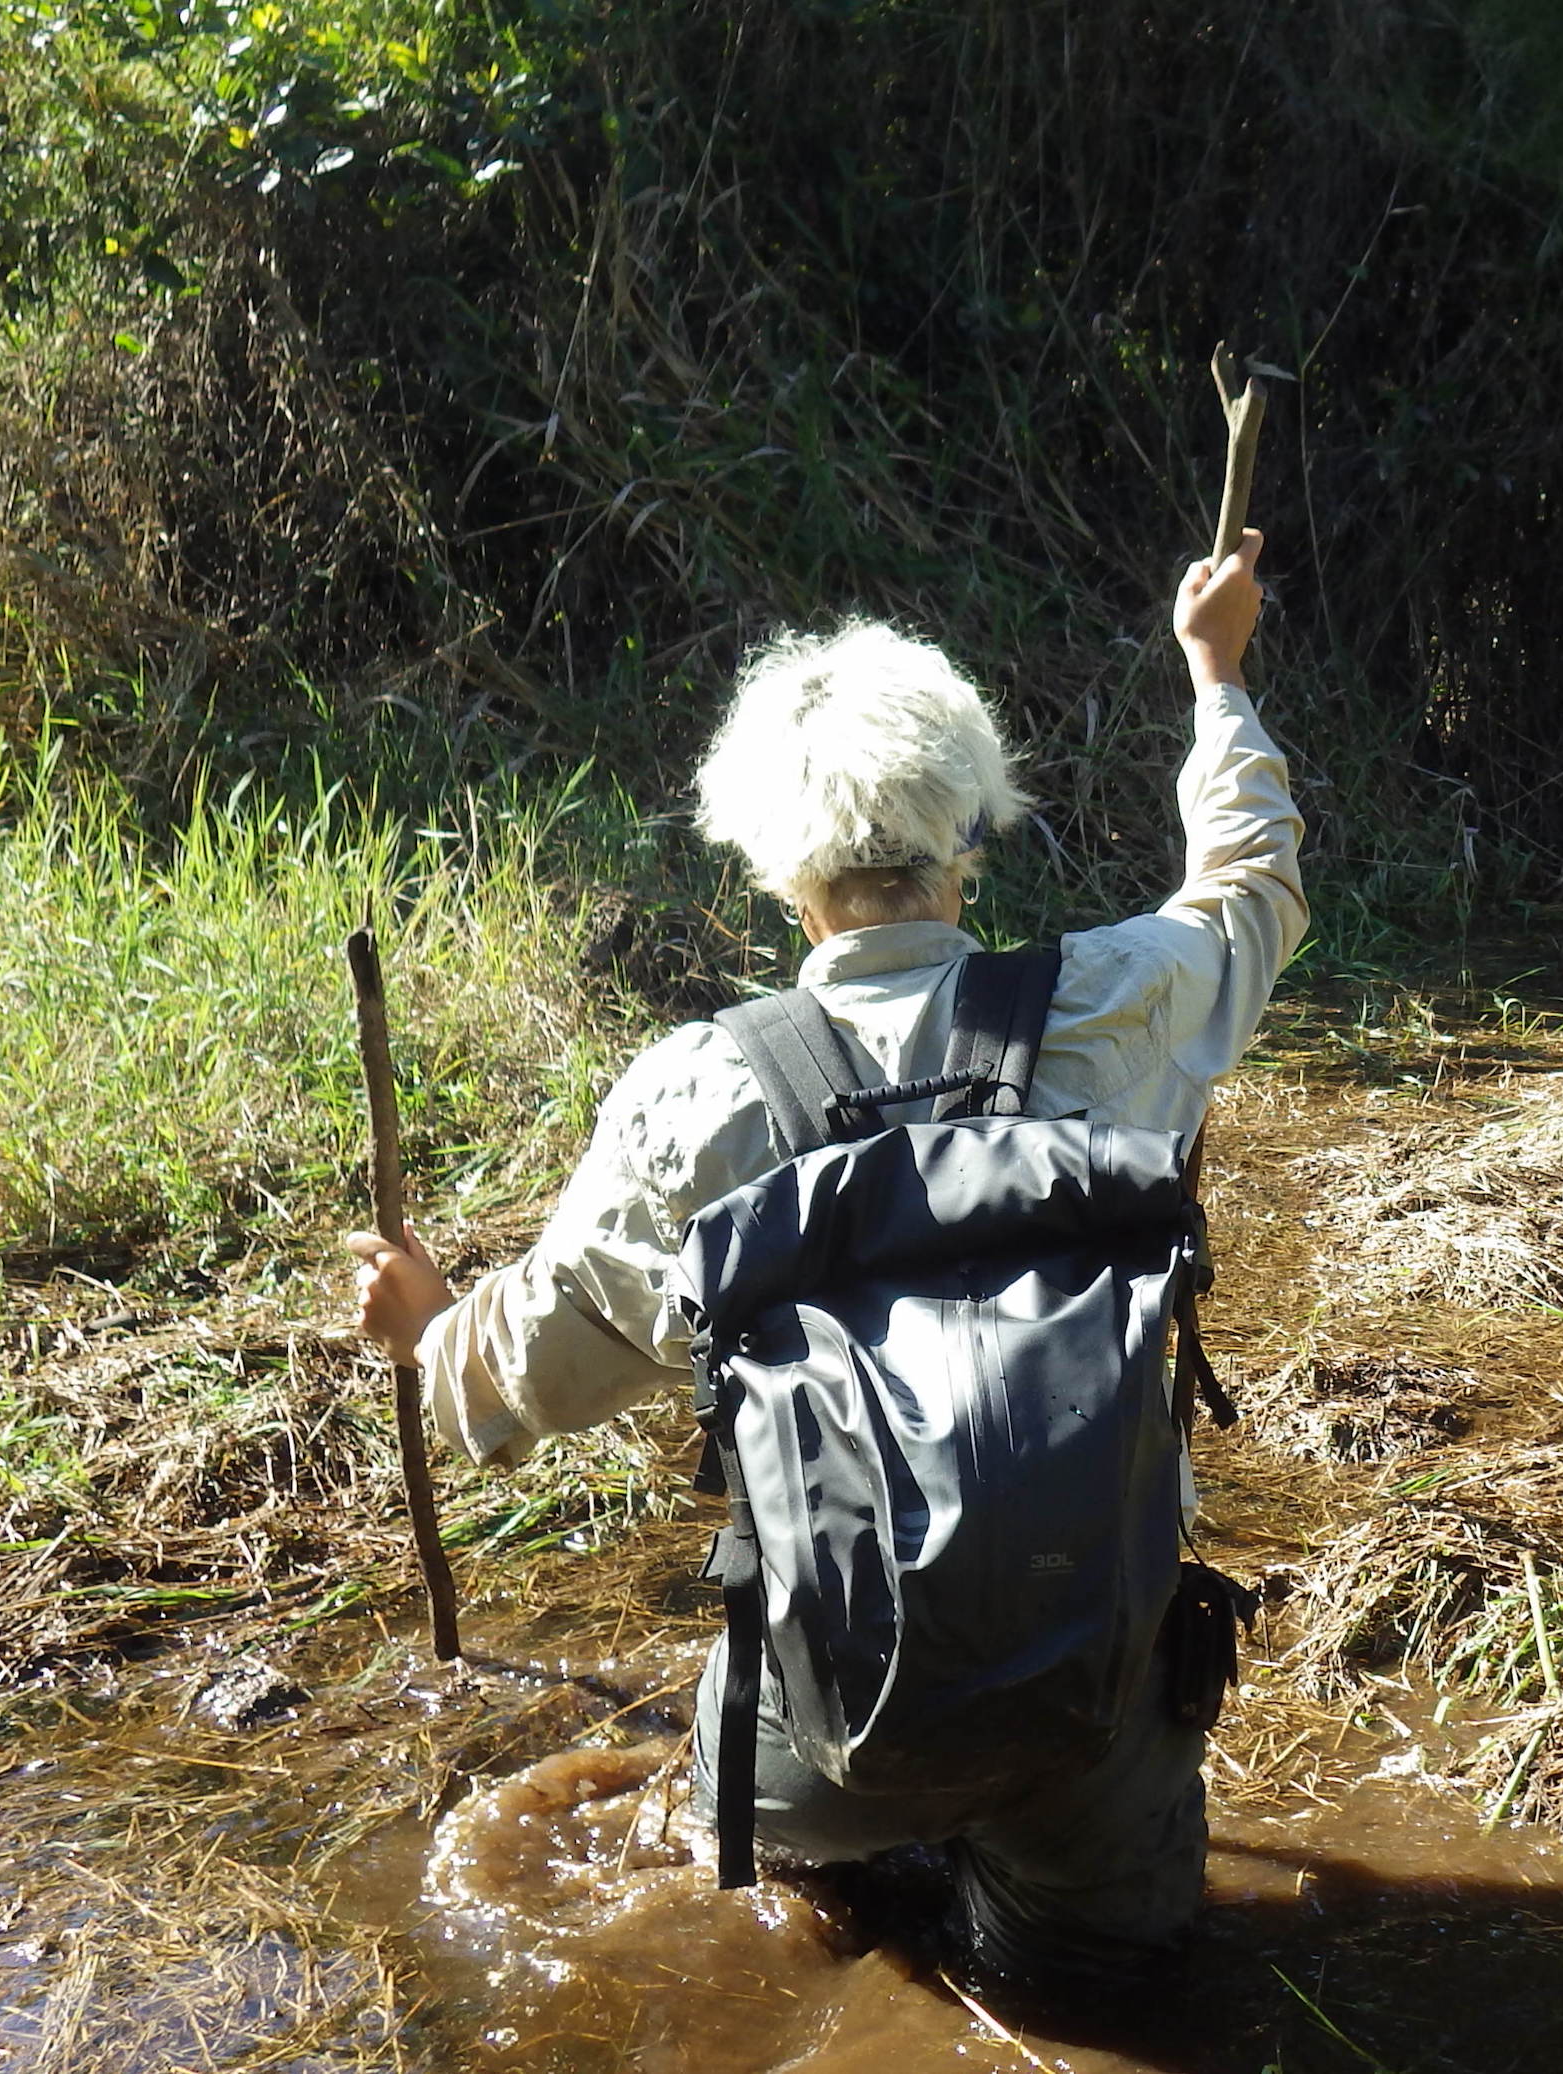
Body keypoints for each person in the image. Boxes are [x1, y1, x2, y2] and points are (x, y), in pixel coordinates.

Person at [346, 531, 1295, 1991]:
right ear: (967, 836)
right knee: (1103, 1999)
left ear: (780, 879)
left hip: (825, 1730)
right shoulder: (1124, 1002)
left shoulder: (694, 1096)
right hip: (1099, 1708)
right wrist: (1213, 674)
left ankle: (826, 1898)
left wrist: (430, 1327)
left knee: (793, 1915)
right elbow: (1248, 891)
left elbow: (530, 1370)